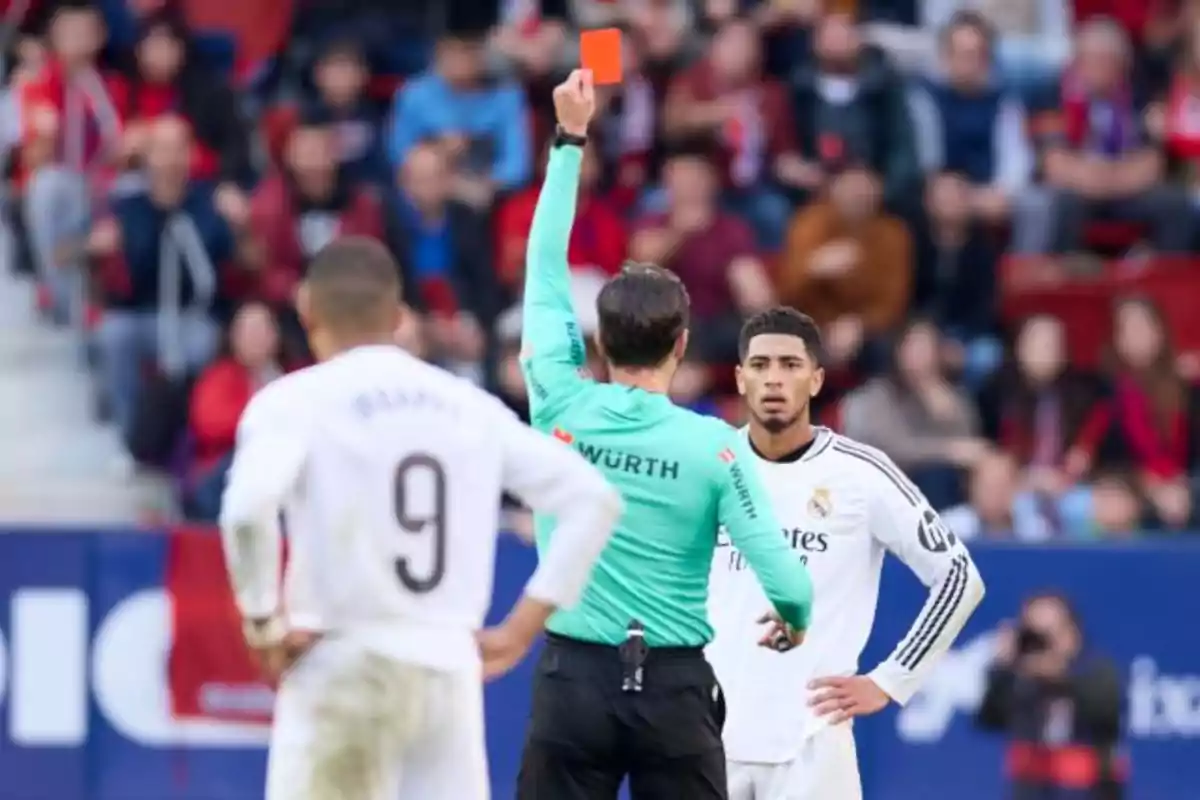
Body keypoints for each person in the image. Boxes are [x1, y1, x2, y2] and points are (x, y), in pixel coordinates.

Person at [217, 236, 623, 800]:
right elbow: (592, 498)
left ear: (307, 309)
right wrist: (521, 627)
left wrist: (261, 622)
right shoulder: (464, 403)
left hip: (343, 655)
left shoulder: (295, 401)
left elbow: (245, 511)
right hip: (446, 664)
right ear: (400, 316)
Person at [517, 71, 815, 799]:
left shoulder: (560, 405)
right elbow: (786, 580)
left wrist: (569, 141)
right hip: (674, 691)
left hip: (572, 682)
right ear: (682, 345)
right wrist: (795, 621)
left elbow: (545, 271)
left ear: (598, 339)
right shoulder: (714, 447)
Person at [707, 307, 987, 800]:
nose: (775, 379)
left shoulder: (861, 474)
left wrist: (891, 679)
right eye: (761, 364)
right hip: (707, 735)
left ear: (816, 380)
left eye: (791, 366)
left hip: (812, 744)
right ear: (740, 378)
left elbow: (960, 578)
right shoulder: (708, 466)